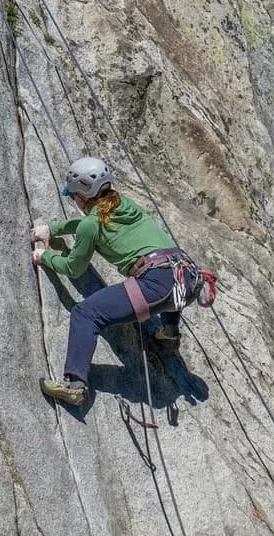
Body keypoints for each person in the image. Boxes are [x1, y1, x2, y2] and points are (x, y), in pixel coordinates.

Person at [31, 156, 190, 405]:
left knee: (86, 314)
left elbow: (74, 267)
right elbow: (87, 223)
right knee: (167, 291)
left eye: (73, 196)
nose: (73, 200)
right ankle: (169, 332)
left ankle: (75, 385)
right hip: (186, 277)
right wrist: (54, 229)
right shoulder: (124, 204)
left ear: (82, 196)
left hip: (156, 283)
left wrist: (46, 256)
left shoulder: (90, 224)